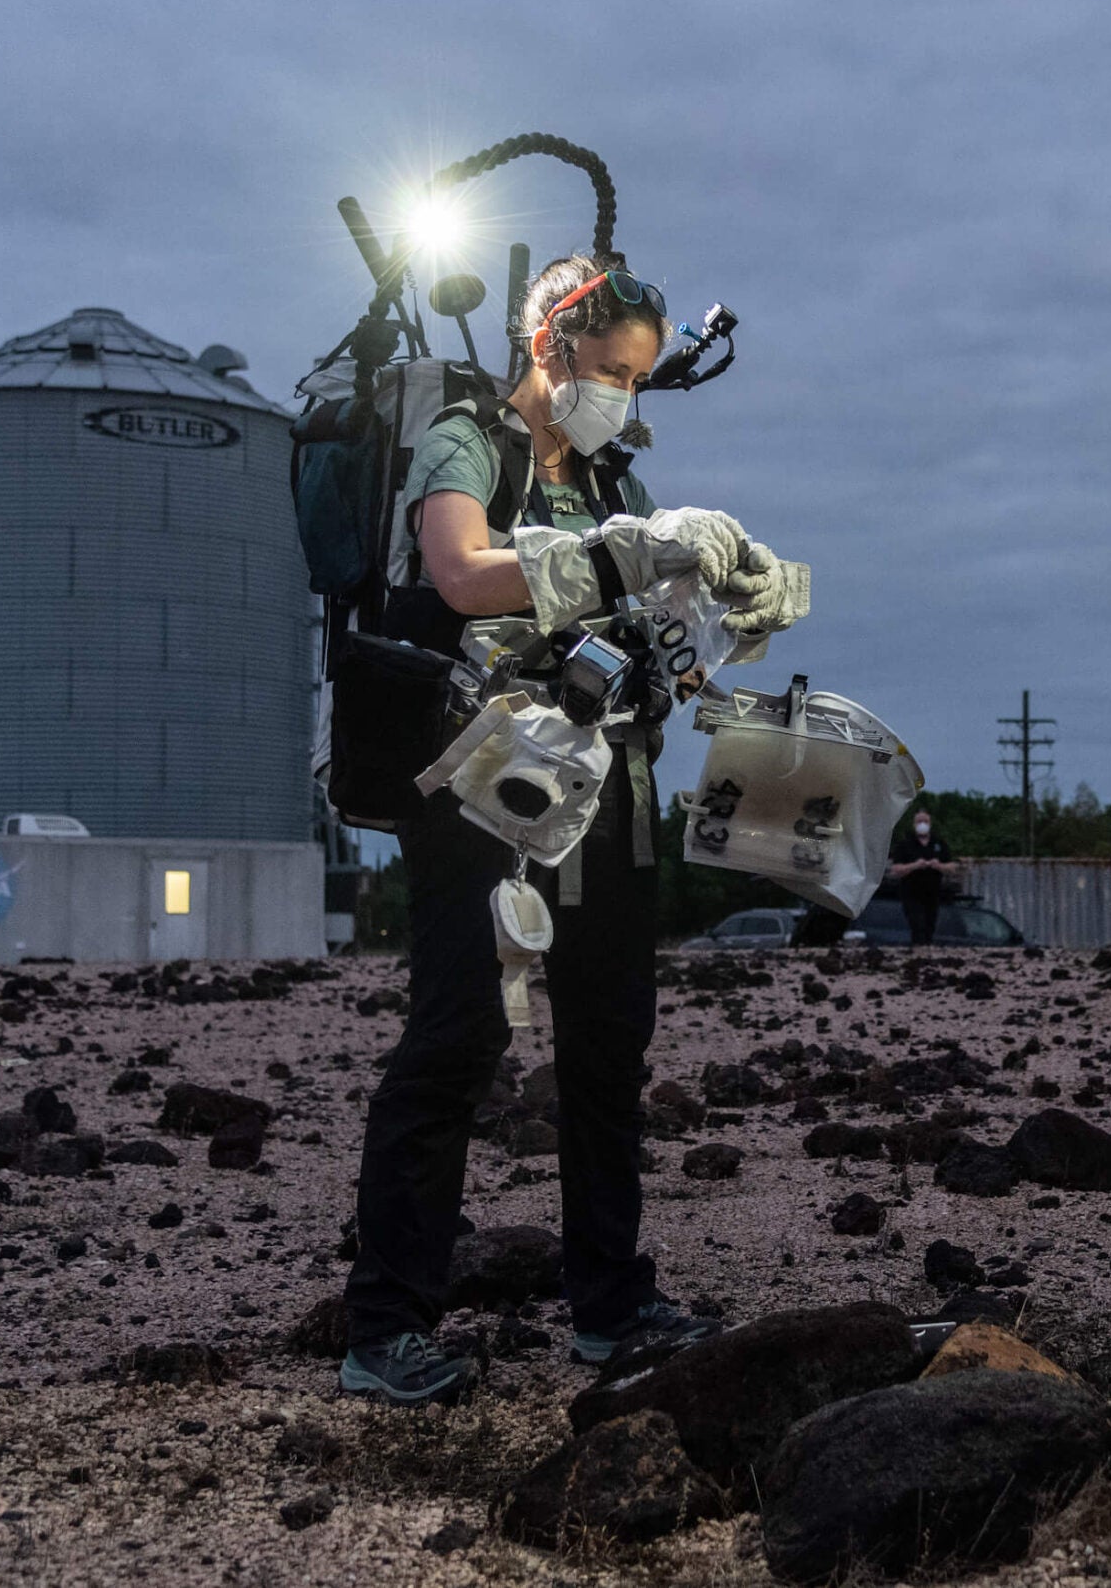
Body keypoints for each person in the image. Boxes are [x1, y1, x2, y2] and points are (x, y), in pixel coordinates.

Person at [341, 254, 802, 1405]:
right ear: (550, 346)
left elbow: (655, 626)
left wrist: (731, 609)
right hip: (484, 791)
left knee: (608, 1049)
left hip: (612, 795)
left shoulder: (609, 481)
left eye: (642, 381)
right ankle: (385, 1325)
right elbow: (456, 574)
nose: (624, 398)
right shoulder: (467, 440)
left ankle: (611, 1303)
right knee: (457, 1039)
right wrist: (608, 560)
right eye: (610, 372)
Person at [886, 809, 958, 946]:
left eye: (925, 821)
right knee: (917, 925)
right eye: (919, 821)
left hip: (933, 893)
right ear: (914, 824)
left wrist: (938, 866)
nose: (922, 824)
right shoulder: (905, 844)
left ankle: (927, 953)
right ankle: (918, 951)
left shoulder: (939, 844)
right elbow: (895, 869)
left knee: (930, 926)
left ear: (930, 824)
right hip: (911, 893)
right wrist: (915, 865)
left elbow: (952, 867)